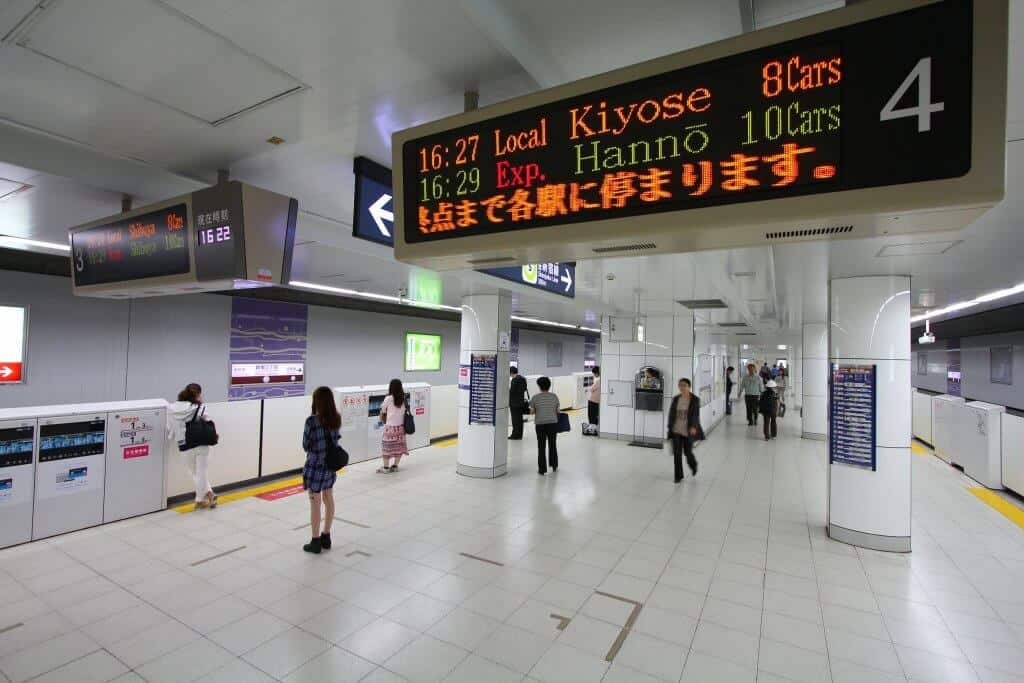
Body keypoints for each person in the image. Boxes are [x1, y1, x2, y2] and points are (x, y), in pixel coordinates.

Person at [301, 387, 340, 554]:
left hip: (315, 467)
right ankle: (326, 536)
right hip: (330, 467)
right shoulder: (336, 418)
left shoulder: (311, 421)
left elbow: (305, 445)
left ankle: (315, 541)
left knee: (315, 503)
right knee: (328, 498)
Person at [168, 383, 217, 509]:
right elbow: (208, 420)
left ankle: (202, 499)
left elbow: (171, 427)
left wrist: (172, 436)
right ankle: (207, 496)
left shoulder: (172, 408)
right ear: (197, 395)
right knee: (202, 472)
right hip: (201, 441)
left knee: (194, 472)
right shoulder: (199, 407)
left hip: (184, 443)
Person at [667, 378, 703, 483]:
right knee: (677, 454)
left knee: (688, 452)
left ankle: (693, 465)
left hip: (688, 430)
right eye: (680, 385)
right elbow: (671, 414)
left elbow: (696, 415)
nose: (682, 387)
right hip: (676, 430)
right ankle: (678, 476)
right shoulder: (676, 398)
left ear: (689, 386)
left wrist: (694, 426)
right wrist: (670, 427)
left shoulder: (695, 399)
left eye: (684, 385)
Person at [529, 376, 560, 475]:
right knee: (553, 444)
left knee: (541, 446)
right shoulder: (554, 396)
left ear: (539, 386)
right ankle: (554, 465)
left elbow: (532, 412)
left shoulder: (535, 397)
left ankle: (542, 469)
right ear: (549, 385)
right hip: (552, 423)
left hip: (540, 424)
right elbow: (558, 411)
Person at [378, 379, 409, 473]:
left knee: (387, 448)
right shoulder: (403, 398)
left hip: (390, 428)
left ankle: (386, 468)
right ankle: (395, 466)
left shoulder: (389, 398)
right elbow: (404, 411)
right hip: (400, 428)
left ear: (391, 387)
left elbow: (383, 410)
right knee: (399, 448)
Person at [509, 366, 528, 440]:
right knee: (520, 420)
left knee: (515, 420)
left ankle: (515, 435)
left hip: (514, 403)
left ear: (511, 372)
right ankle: (520, 435)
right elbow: (525, 389)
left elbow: (512, 391)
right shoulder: (523, 378)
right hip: (521, 402)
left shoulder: (514, 380)